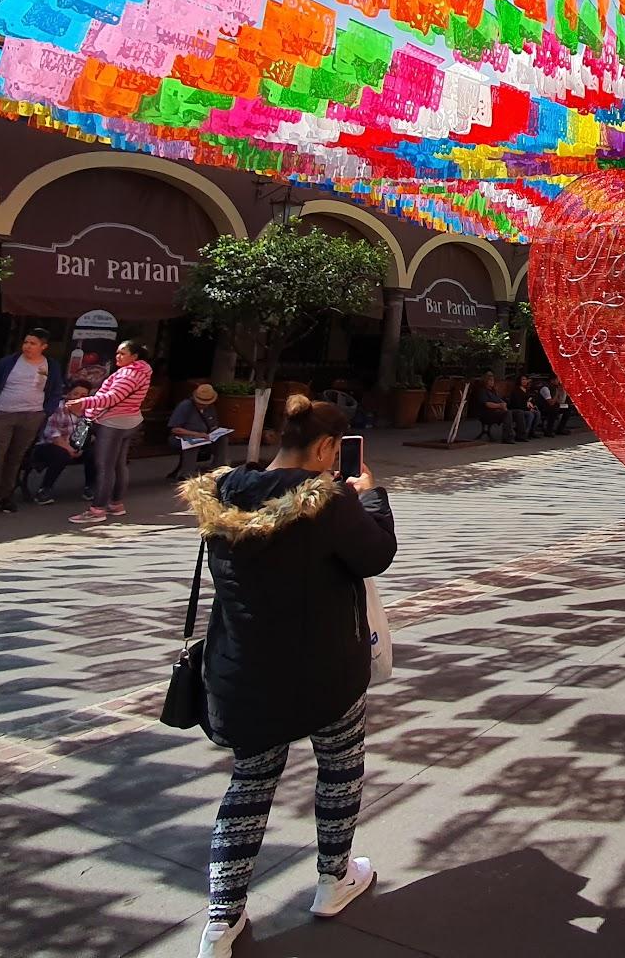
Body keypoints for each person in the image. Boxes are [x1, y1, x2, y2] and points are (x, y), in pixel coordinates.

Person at [182, 394, 397, 957]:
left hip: (245, 668)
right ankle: (333, 879)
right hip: (325, 668)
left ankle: (221, 920)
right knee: (340, 767)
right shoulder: (326, 502)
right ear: (327, 447)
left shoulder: (223, 492)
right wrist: (370, 495)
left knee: (249, 786)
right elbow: (376, 555)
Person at [0, 330, 63, 519]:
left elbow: (56, 389)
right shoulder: (9, 362)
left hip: (32, 415)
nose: (27, 346)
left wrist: (46, 412)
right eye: (26, 342)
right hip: (4, 413)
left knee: (15, 457)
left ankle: (4, 497)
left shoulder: (50, 365)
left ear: (43, 346)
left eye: (33, 343)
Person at [65, 340, 153, 524]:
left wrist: (83, 402)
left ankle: (97, 509)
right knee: (118, 464)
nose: (118, 357)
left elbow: (112, 397)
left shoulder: (129, 373)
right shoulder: (141, 371)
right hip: (128, 420)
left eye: (123, 353)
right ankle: (116, 504)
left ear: (134, 356)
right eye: (117, 353)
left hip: (113, 423)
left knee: (105, 466)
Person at [25, 380, 92, 504]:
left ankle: (90, 488)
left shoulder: (87, 411)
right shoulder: (58, 408)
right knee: (61, 454)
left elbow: (87, 433)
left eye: (83, 396)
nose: (79, 398)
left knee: (95, 452)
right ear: (68, 394)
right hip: (49, 445)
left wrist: (80, 448)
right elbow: (52, 434)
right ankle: (44, 490)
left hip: (75, 445)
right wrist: (69, 449)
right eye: (75, 394)